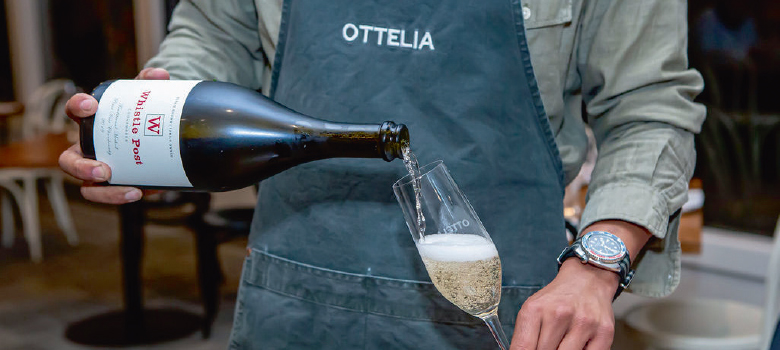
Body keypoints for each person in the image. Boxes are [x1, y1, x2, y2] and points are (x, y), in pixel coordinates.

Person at [59, 0, 706, 349]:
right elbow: (213, 35)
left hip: (509, 318)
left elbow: (651, 108)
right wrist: (145, 117)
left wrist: (596, 267)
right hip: (291, 310)